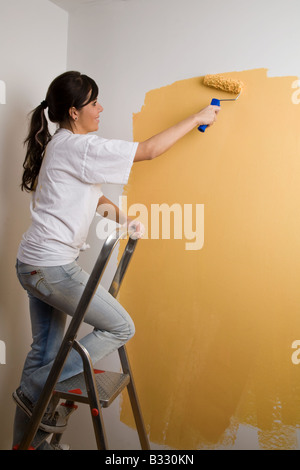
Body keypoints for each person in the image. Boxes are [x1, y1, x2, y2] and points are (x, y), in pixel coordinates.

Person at [12, 71, 220, 449]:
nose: (100, 108)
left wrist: (125, 219)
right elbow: (149, 150)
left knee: (43, 353)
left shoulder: (64, 144)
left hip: (33, 264)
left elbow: (93, 197)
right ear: (74, 112)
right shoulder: (81, 148)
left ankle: (29, 443)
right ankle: (33, 388)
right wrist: (197, 118)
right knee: (121, 327)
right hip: (51, 268)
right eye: (93, 102)